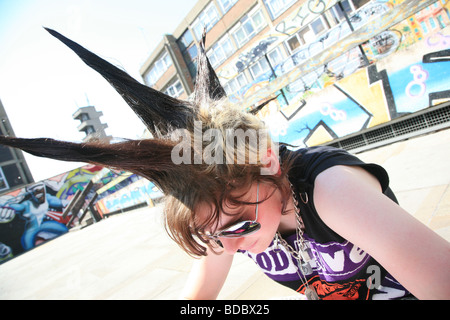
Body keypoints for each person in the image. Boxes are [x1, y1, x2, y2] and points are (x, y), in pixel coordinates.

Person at [1, 28, 449, 300]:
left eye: (237, 228)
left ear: (268, 160)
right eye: (214, 234)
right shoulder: (224, 216)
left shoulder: (330, 190)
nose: (228, 248)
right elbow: (198, 296)